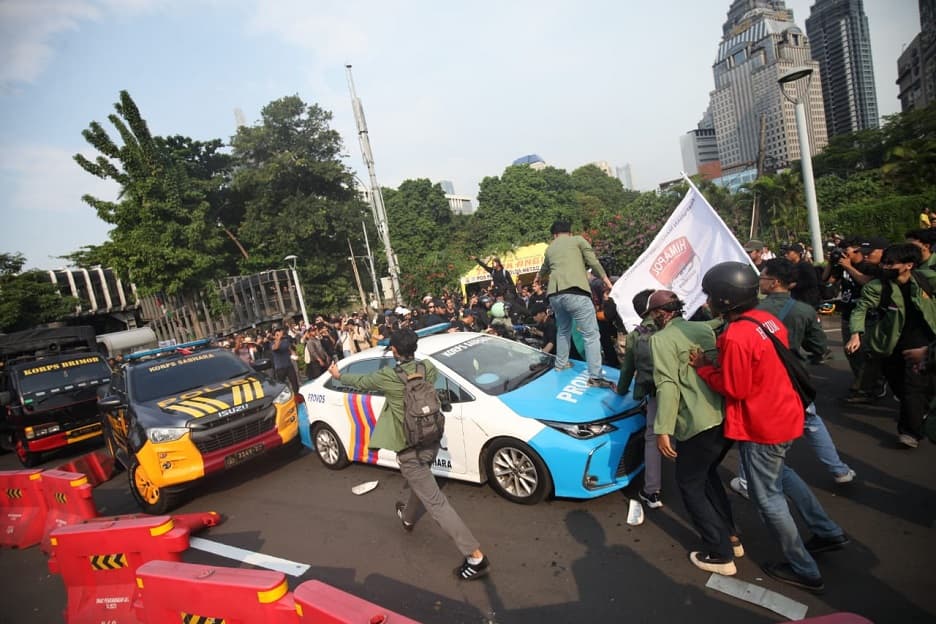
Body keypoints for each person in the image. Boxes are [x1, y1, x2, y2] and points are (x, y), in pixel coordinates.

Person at [693, 261, 847, 594]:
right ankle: (827, 531)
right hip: (785, 413)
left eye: (711, 296)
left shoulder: (736, 335)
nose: (707, 301)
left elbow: (736, 388)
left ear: (725, 299)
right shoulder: (765, 319)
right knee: (783, 475)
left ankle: (804, 568)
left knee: (767, 498)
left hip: (761, 424)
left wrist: (704, 368)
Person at [326, 329, 490, 580]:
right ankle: (408, 517)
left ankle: (475, 556)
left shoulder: (387, 376)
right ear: (414, 347)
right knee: (421, 481)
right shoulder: (428, 369)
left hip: (408, 446)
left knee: (436, 502)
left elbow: (359, 382)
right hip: (431, 440)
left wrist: (337, 375)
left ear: (394, 351)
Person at [728, 259, 855, 496]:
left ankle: (747, 481)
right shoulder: (804, 310)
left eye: (763, 277)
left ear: (774, 282)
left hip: (763, 383)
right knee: (812, 422)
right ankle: (839, 470)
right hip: (795, 379)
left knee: (753, 433)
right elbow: (819, 346)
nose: (759, 281)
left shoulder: (753, 312)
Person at [645, 290, 740, 576]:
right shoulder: (703, 328)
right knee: (708, 475)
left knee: (690, 485)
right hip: (723, 417)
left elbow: (668, 385)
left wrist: (662, 430)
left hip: (696, 424)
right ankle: (731, 537)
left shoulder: (660, 340)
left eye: (652, 315)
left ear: (660, 314)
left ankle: (720, 552)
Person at [845, 244, 936, 448]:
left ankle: (910, 433)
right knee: (900, 388)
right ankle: (919, 411)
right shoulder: (877, 286)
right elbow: (861, 309)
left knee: (914, 388)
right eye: (884, 262)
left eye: (890, 263)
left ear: (908, 265)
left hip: (922, 343)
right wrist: (855, 334)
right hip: (889, 344)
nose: (885, 267)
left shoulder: (926, 280)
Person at [537, 219, 615, 388]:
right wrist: (607, 281)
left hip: (555, 295)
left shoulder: (550, 248)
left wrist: (538, 278)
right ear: (569, 232)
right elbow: (593, 261)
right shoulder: (578, 240)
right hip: (576, 292)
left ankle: (561, 364)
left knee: (563, 330)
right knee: (591, 334)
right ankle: (595, 376)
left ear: (555, 235)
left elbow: (543, 270)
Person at [616, 290, 664, 509]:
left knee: (652, 438)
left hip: (657, 392)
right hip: (688, 391)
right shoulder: (677, 325)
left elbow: (628, 370)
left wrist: (620, 391)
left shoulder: (638, 334)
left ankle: (652, 491)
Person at [784, 243, 821, 309]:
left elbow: (813, 281)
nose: (786, 254)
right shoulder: (790, 266)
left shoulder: (805, 265)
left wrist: (796, 284)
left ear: (797, 254)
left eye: (789, 252)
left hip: (808, 299)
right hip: (796, 299)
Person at [270, 327, 300, 393]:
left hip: (289, 365)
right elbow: (275, 348)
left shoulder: (285, 341)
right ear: (274, 336)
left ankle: (297, 395)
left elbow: (290, 349)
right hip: (280, 368)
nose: (279, 336)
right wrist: (279, 338)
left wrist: (294, 354)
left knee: (294, 382)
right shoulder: (272, 343)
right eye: (277, 335)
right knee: (282, 385)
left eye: (280, 334)